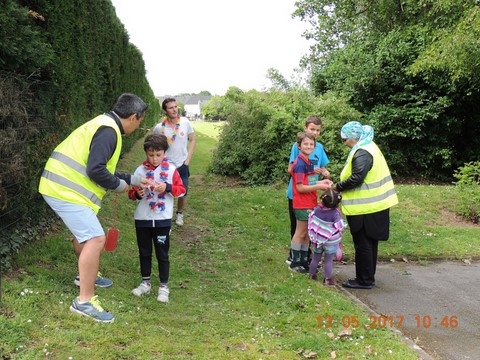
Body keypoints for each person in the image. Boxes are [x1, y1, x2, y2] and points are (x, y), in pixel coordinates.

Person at [38, 93, 150, 322]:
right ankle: (84, 301)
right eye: (140, 122)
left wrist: (135, 179)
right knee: (96, 239)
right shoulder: (109, 131)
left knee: (85, 236)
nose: (139, 126)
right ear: (133, 116)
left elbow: (101, 167)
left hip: (59, 185)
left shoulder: (105, 124)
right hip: (63, 189)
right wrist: (120, 186)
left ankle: (85, 276)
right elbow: (96, 171)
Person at [332, 121, 398, 289]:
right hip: (375, 204)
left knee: (363, 244)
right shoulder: (370, 146)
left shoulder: (362, 152)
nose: (344, 143)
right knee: (370, 243)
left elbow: (357, 178)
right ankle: (368, 277)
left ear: (353, 137)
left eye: (344, 139)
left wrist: (338, 187)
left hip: (365, 207)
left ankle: (364, 280)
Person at [128, 134, 186, 303]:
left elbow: (181, 190)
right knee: (144, 252)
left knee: (162, 253)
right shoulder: (140, 171)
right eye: (150, 155)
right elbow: (131, 193)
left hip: (162, 219)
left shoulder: (171, 170)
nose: (154, 159)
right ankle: (145, 283)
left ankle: (163, 286)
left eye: (158, 155)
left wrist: (167, 187)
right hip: (142, 219)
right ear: (146, 153)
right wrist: (137, 193)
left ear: (164, 153)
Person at [286, 115, 331, 264]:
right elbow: (292, 168)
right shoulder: (298, 146)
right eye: (312, 129)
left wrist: (323, 172)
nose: (315, 132)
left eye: (318, 130)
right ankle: (294, 258)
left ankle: (305, 258)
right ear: (305, 128)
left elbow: (322, 166)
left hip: (311, 193)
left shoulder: (318, 146)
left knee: (308, 229)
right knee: (298, 228)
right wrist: (310, 171)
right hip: (298, 193)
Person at [153, 98, 196, 227]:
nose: (175, 109)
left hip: (182, 164)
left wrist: (187, 160)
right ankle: (166, 217)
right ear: (165, 111)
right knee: (166, 192)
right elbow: (153, 145)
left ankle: (180, 214)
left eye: (176, 106)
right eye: (171, 107)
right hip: (166, 166)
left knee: (183, 192)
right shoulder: (159, 128)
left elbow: (193, 139)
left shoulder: (185, 122)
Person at [308, 189, 347, 285]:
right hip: (330, 242)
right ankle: (327, 279)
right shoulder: (335, 214)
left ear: (323, 199)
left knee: (315, 258)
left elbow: (311, 218)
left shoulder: (317, 209)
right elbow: (339, 226)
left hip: (318, 240)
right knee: (328, 260)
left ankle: (312, 275)